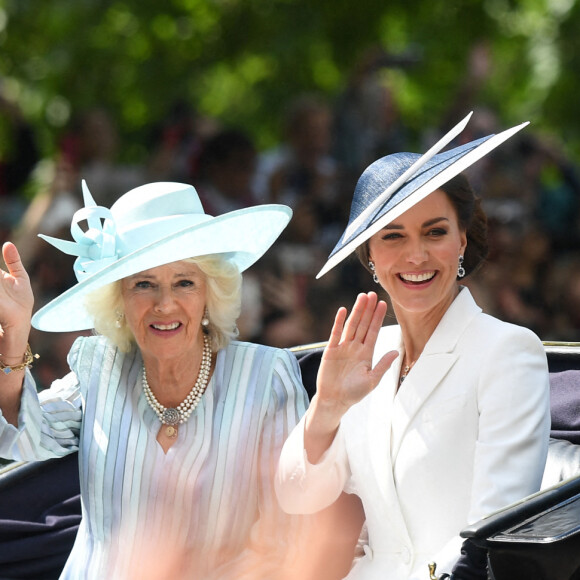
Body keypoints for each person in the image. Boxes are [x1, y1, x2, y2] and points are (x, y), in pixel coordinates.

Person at [275, 113, 551, 580]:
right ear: (371, 258)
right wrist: (327, 407)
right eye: (393, 236)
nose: (416, 256)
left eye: (435, 232)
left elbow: (489, 536)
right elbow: (296, 497)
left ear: (462, 240)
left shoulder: (508, 351)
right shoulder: (361, 355)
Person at [0, 180, 311, 579]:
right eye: (143, 284)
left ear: (209, 294)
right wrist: (13, 339)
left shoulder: (266, 376)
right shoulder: (99, 369)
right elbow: (24, 436)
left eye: (184, 282)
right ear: (118, 300)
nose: (164, 304)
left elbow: (288, 533)